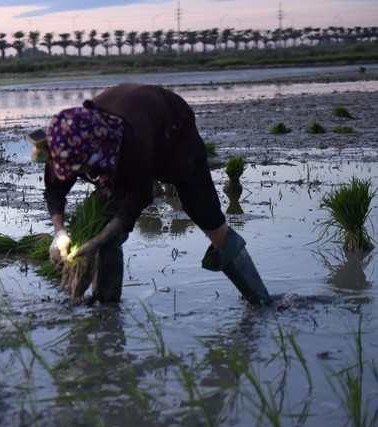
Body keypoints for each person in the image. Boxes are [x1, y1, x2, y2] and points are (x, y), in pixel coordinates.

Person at [27, 83, 273, 307]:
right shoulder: (66, 141)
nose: (75, 173)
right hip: (134, 116)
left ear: (98, 152)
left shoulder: (132, 147)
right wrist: (59, 232)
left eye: (81, 167)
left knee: (207, 217)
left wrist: (95, 243)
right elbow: (55, 188)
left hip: (173, 129)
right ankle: (106, 308)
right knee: (106, 224)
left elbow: (137, 199)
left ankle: (260, 299)